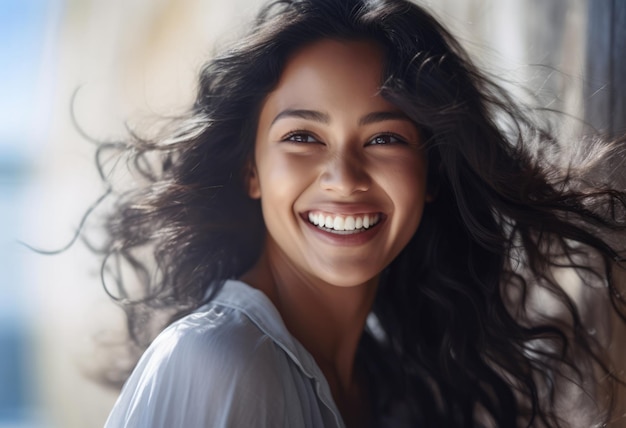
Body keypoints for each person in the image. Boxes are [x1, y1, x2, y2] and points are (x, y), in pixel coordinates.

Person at [97, 0, 626, 426]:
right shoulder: (221, 360)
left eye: (384, 138)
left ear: (432, 174)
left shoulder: (385, 381)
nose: (344, 178)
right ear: (250, 172)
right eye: (302, 136)